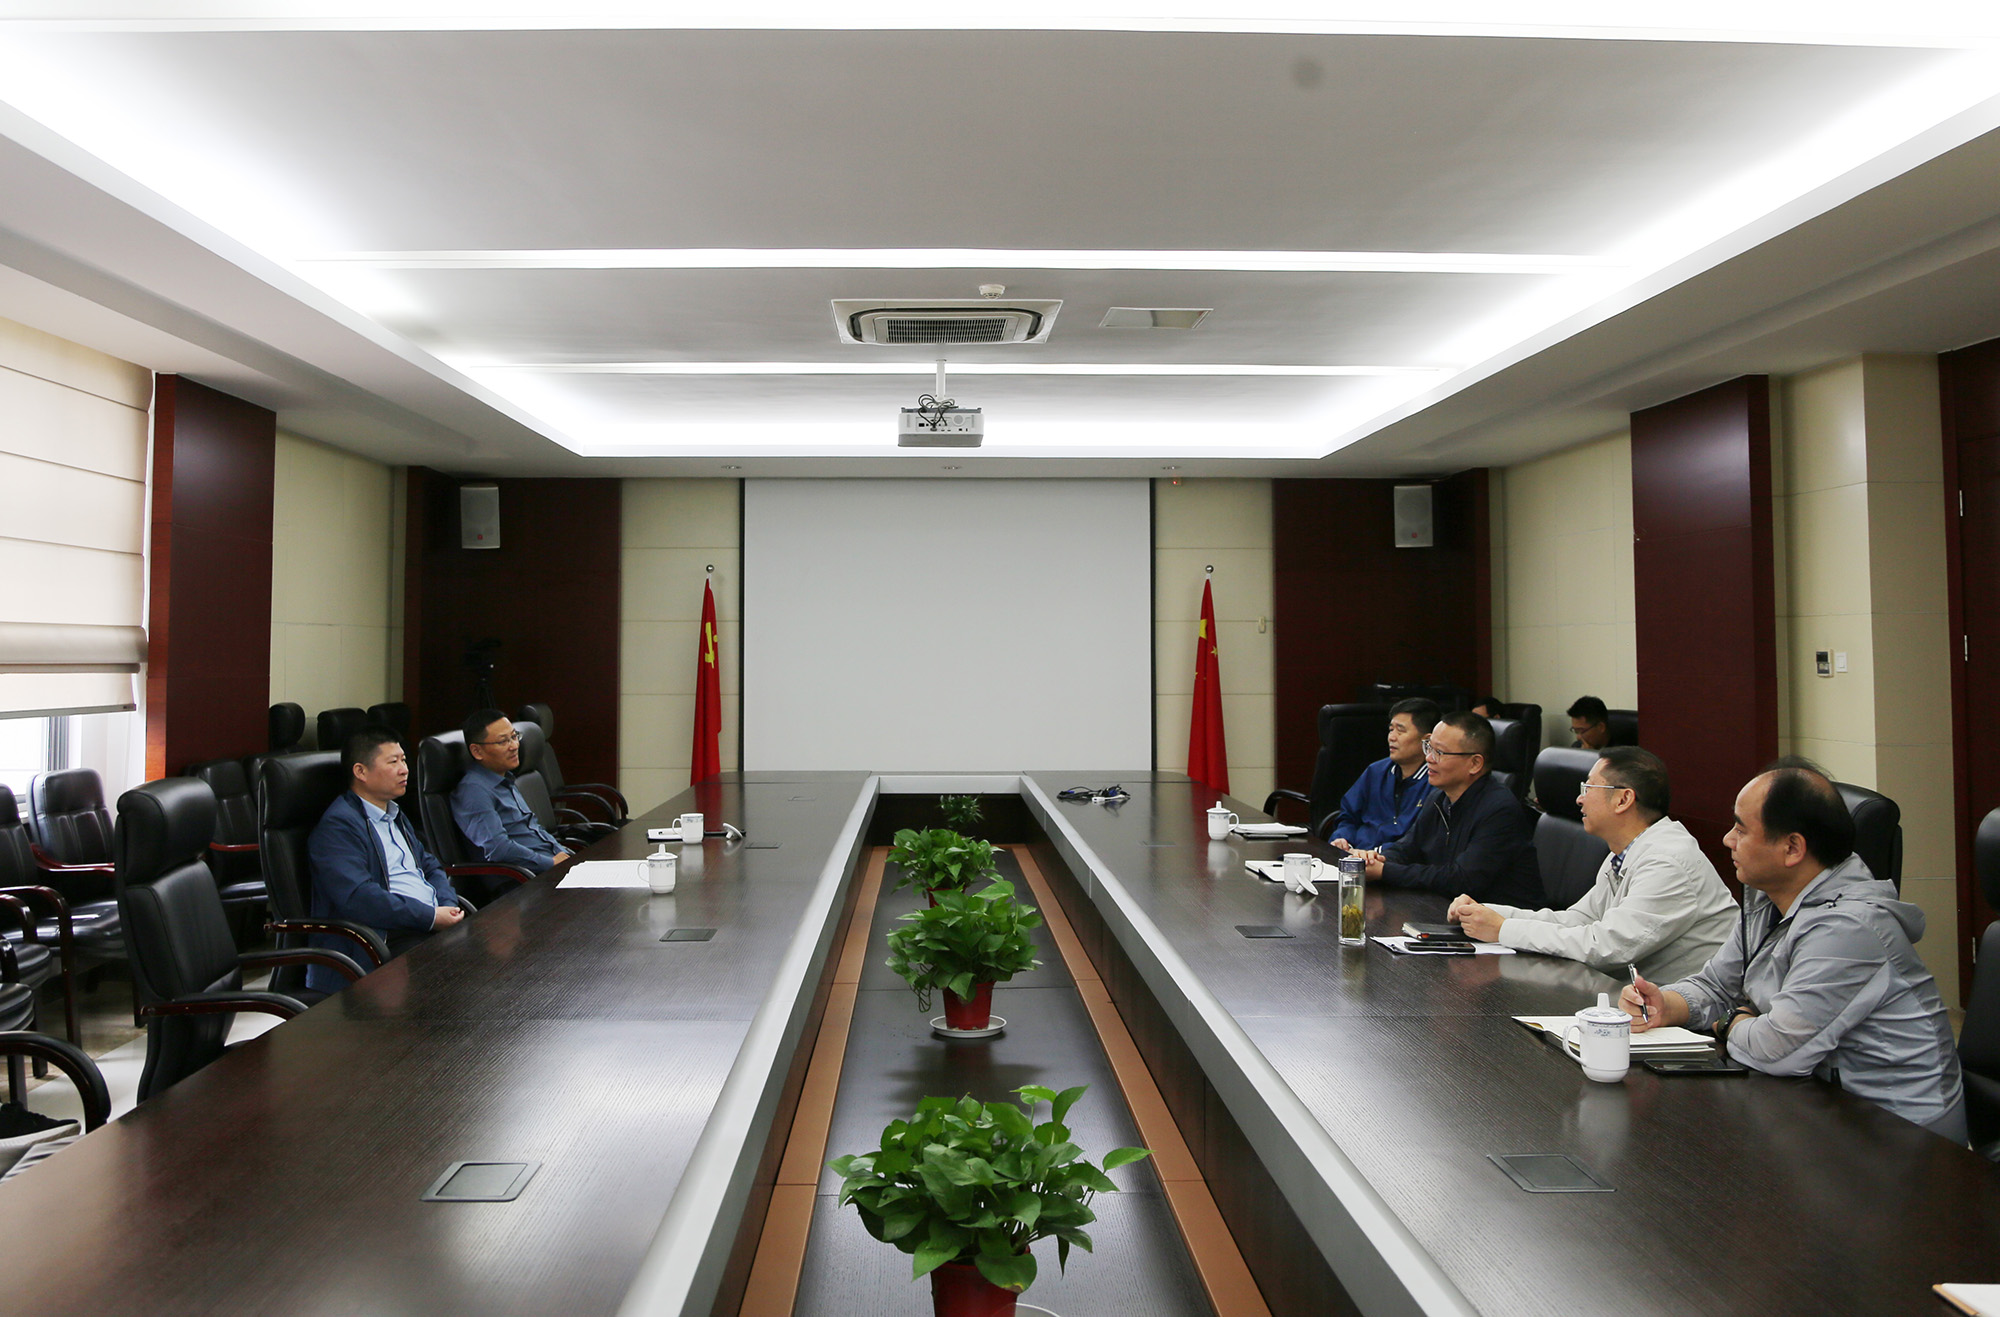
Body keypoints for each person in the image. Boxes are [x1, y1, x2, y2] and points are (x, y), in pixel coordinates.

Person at [1621, 759, 1965, 1142]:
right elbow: (1717, 985)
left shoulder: (1849, 929)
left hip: (1901, 1136)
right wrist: (1667, 1004)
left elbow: (1776, 1050)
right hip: (1821, 1106)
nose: (1728, 840)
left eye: (1741, 829)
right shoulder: (1768, 898)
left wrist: (1729, 1023)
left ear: (1792, 848)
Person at [1446, 746, 1737, 981]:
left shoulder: (1667, 861)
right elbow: (1578, 920)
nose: (1579, 799)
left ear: (1623, 799)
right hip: (1641, 1000)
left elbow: (1606, 946)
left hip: (1693, 1020)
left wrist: (1502, 929)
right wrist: (1489, 913)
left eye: (1588, 788)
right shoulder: (1625, 852)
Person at [306, 726, 465, 993]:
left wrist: (447, 906)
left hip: (424, 924)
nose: (404, 770)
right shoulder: (338, 826)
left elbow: (430, 866)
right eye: (393, 762)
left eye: (404, 760)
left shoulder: (393, 813)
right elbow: (359, 898)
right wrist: (429, 917)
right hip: (383, 938)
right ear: (361, 771)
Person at [1340, 710, 1541, 908]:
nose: (1428, 758)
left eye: (1440, 752)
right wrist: (1378, 859)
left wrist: (1385, 871)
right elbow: (1408, 848)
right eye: (1429, 747)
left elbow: (1461, 879)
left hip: (1501, 920)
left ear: (1475, 763)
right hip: (1446, 909)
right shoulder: (1438, 797)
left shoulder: (1499, 810)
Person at [452, 709, 571, 873]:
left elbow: (533, 830)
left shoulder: (504, 778)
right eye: (503, 742)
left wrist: (563, 854)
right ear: (477, 751)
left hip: (549, 869)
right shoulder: (473, 791)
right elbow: (499, 849)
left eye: (514, 737)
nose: (514, 746)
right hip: (525, 879)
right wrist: (550, 863)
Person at [1326, 698, 1439, 851]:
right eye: (1391, 730)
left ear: (1427, 740)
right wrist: (1342, 839)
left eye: (1400, 731)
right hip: (1355, 856)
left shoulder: (1436, 780)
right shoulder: (1376, 771)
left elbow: (1421, 842)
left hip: (1394, 861)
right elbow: (1348, 817)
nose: (1391, 737)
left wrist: (1376, 854)